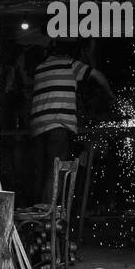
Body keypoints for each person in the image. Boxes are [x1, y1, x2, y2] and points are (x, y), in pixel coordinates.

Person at [29, 41, 112, 204]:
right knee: (56, 170)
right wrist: (111, 95)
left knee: (40, 171)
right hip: (58, 125)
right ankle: (48, 214)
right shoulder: (70, 64)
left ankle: (35, 214)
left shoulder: (39, 67)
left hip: (37, 127)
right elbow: (97, 75)